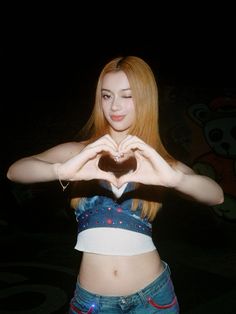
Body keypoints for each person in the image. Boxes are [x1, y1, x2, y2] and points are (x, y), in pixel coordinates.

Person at [6, 56, 224, 313]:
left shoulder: (157, 161)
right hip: (94, 303)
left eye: (127, 96)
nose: (115, 106)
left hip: (153, 299)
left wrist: (176, 179)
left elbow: (216, 195)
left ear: (145, 99)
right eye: (107, 96)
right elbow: (15, 171)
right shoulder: (80, 151)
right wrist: (61, 170)